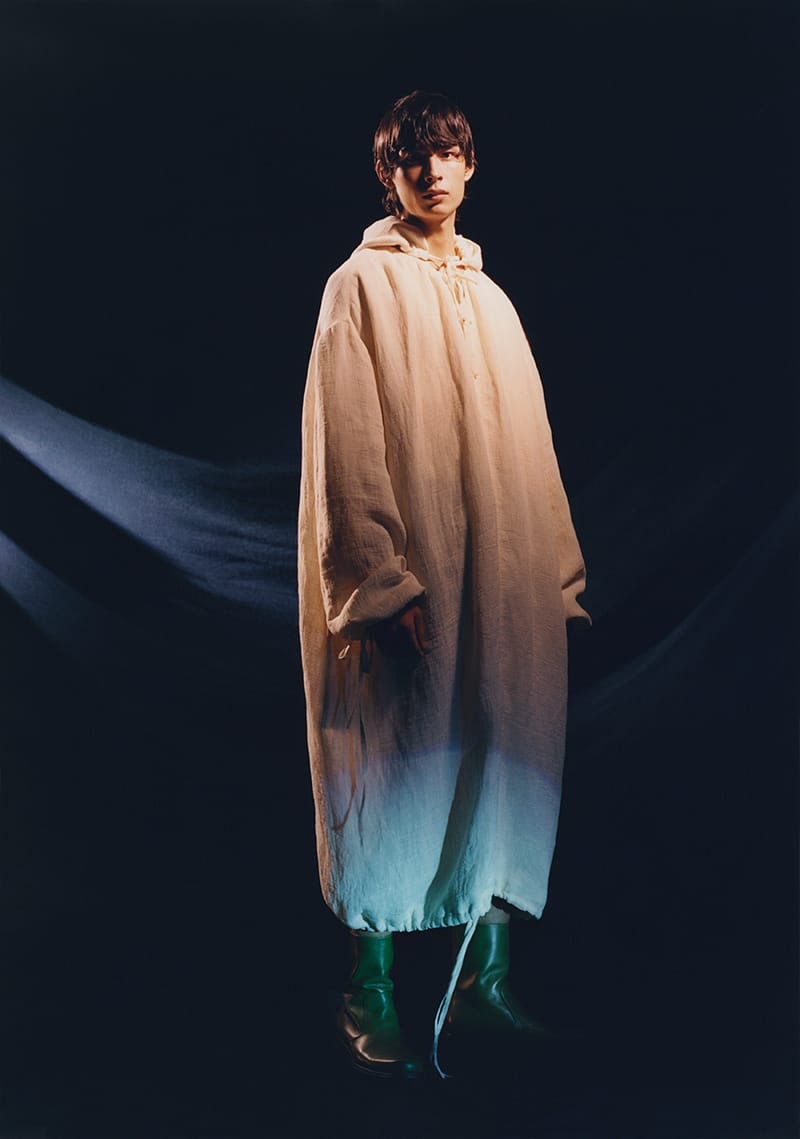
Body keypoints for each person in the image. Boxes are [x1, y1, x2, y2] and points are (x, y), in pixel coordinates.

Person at [297, 89, 590, 1080]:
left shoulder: (493, 301)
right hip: (415, 579)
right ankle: (368, 989)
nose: (433, 170)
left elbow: (530, 446)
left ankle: (484, 983)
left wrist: (553, 577)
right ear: (388, 175)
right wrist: (382, 585)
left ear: (470, 165)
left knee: (501, 753)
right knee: (392, 758)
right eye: (412, 157)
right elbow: (346, 446)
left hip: (502, 580)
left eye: (448, 152)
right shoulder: (358, 288)